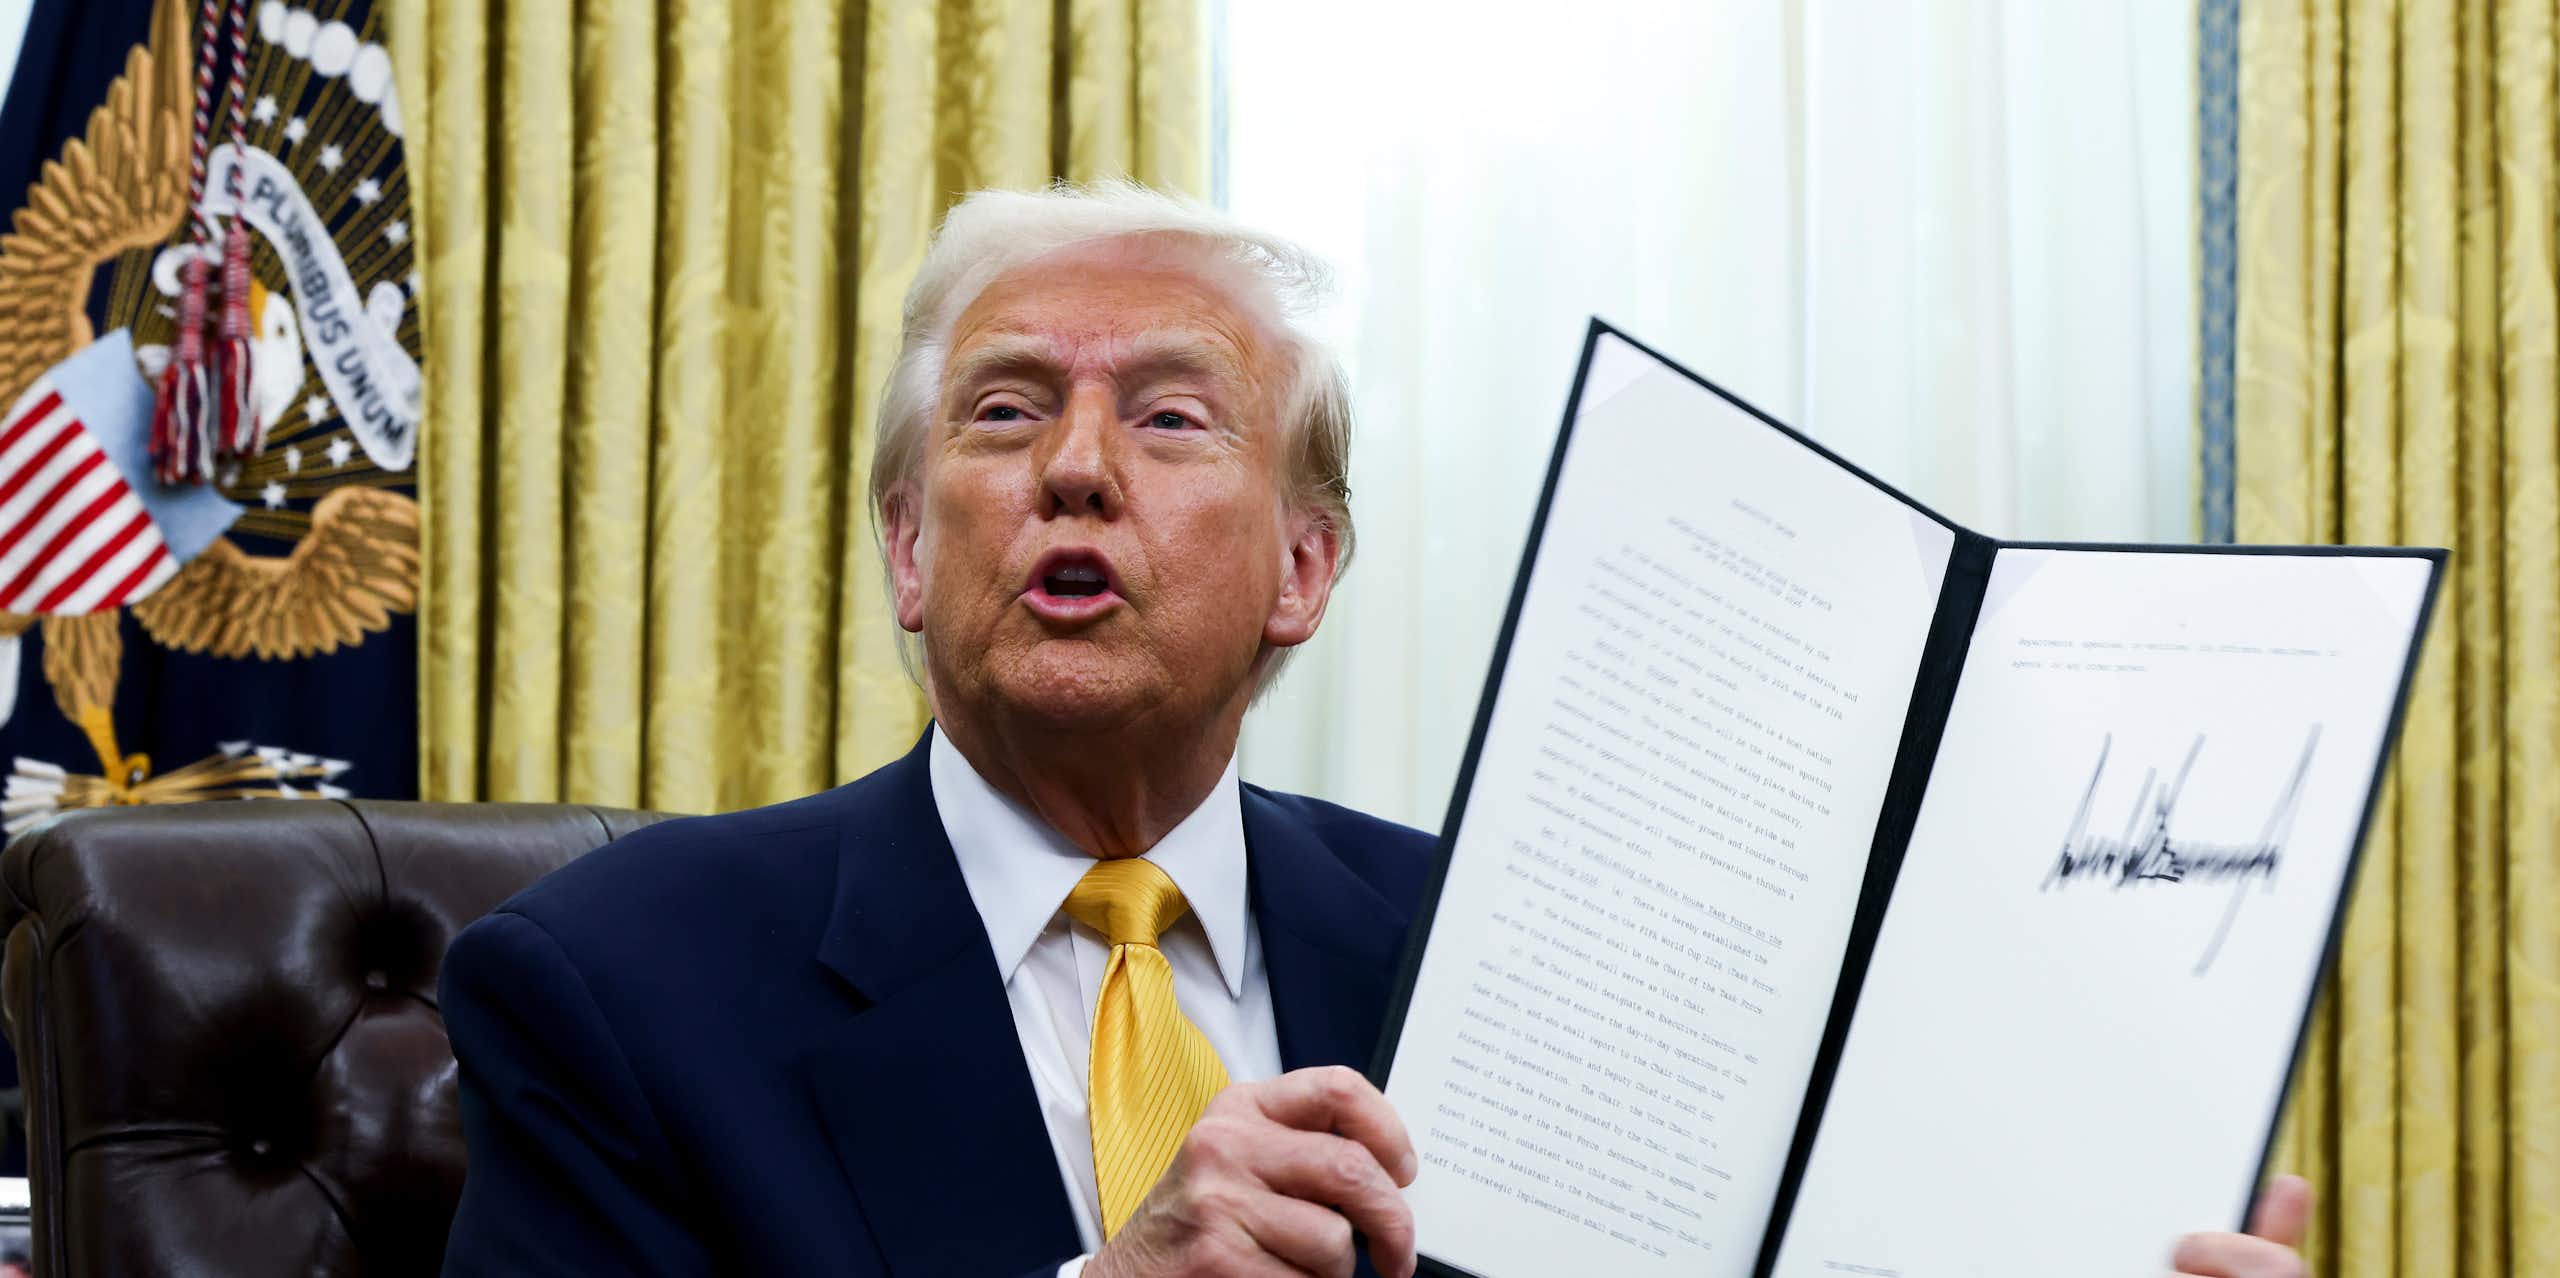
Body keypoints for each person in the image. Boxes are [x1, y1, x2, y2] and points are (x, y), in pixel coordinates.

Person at [437, 183, 2312, 1278]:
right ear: (913, 551)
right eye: (1007, 416)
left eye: (1173, 421)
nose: (1077, 467)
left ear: (1306, 569)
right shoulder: (612, 988)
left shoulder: (1505, 955)